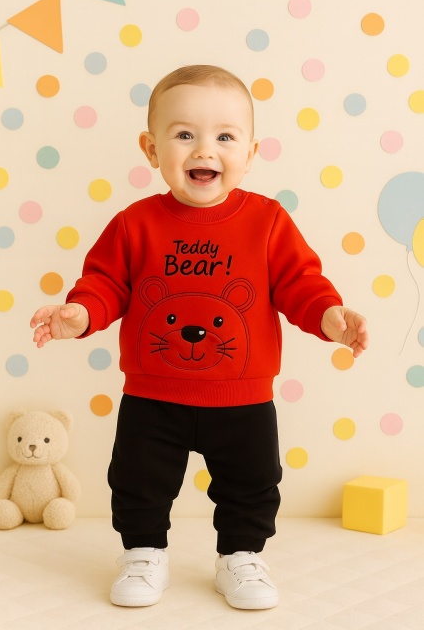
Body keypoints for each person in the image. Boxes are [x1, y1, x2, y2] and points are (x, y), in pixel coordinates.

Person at [30, 65, 369, 610]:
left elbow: (299, 282)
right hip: (152, 393)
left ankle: (241, 556)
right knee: (137, 481)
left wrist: (329, 315)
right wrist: (81, 313)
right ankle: (143, 553)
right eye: (184, 134)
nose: (204, 149)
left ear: (250, 153)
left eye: (225, 137)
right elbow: (106, 283)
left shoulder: (268, 221)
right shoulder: (134, 223)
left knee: (253, 482)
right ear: (151, 148)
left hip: (242, 395)